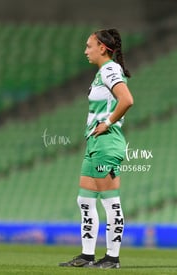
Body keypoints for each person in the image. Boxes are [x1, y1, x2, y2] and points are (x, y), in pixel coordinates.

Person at [59, 29, 134, 269]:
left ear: (102, 48)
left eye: (89, 46)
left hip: (107, 142)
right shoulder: (103, 72)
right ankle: (87, 255)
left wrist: (108, 123)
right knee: (85, 199)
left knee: (110, 202)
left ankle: (112, 258)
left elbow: (127, 100)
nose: (85, 51)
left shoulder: (110, 69)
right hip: (94, 142)